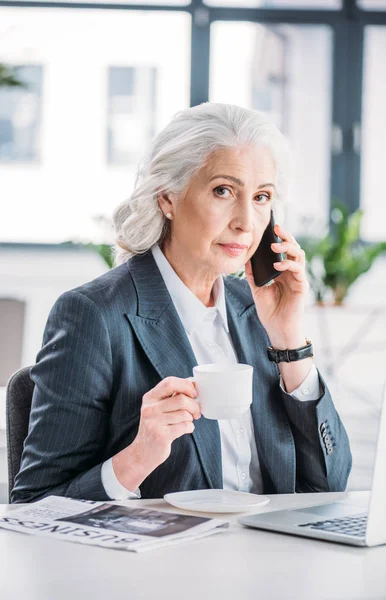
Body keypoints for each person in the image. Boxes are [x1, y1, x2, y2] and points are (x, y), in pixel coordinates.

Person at [12, 103, 352, 503]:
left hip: (270, 553)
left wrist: (290, 340)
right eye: (223, 190)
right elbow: (35, 506)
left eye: (262, 197)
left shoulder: (260, 311)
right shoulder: (94, 315)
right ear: (167, 198)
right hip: (165, 563)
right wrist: (137, 458)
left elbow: (328, 486)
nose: (246, 220)